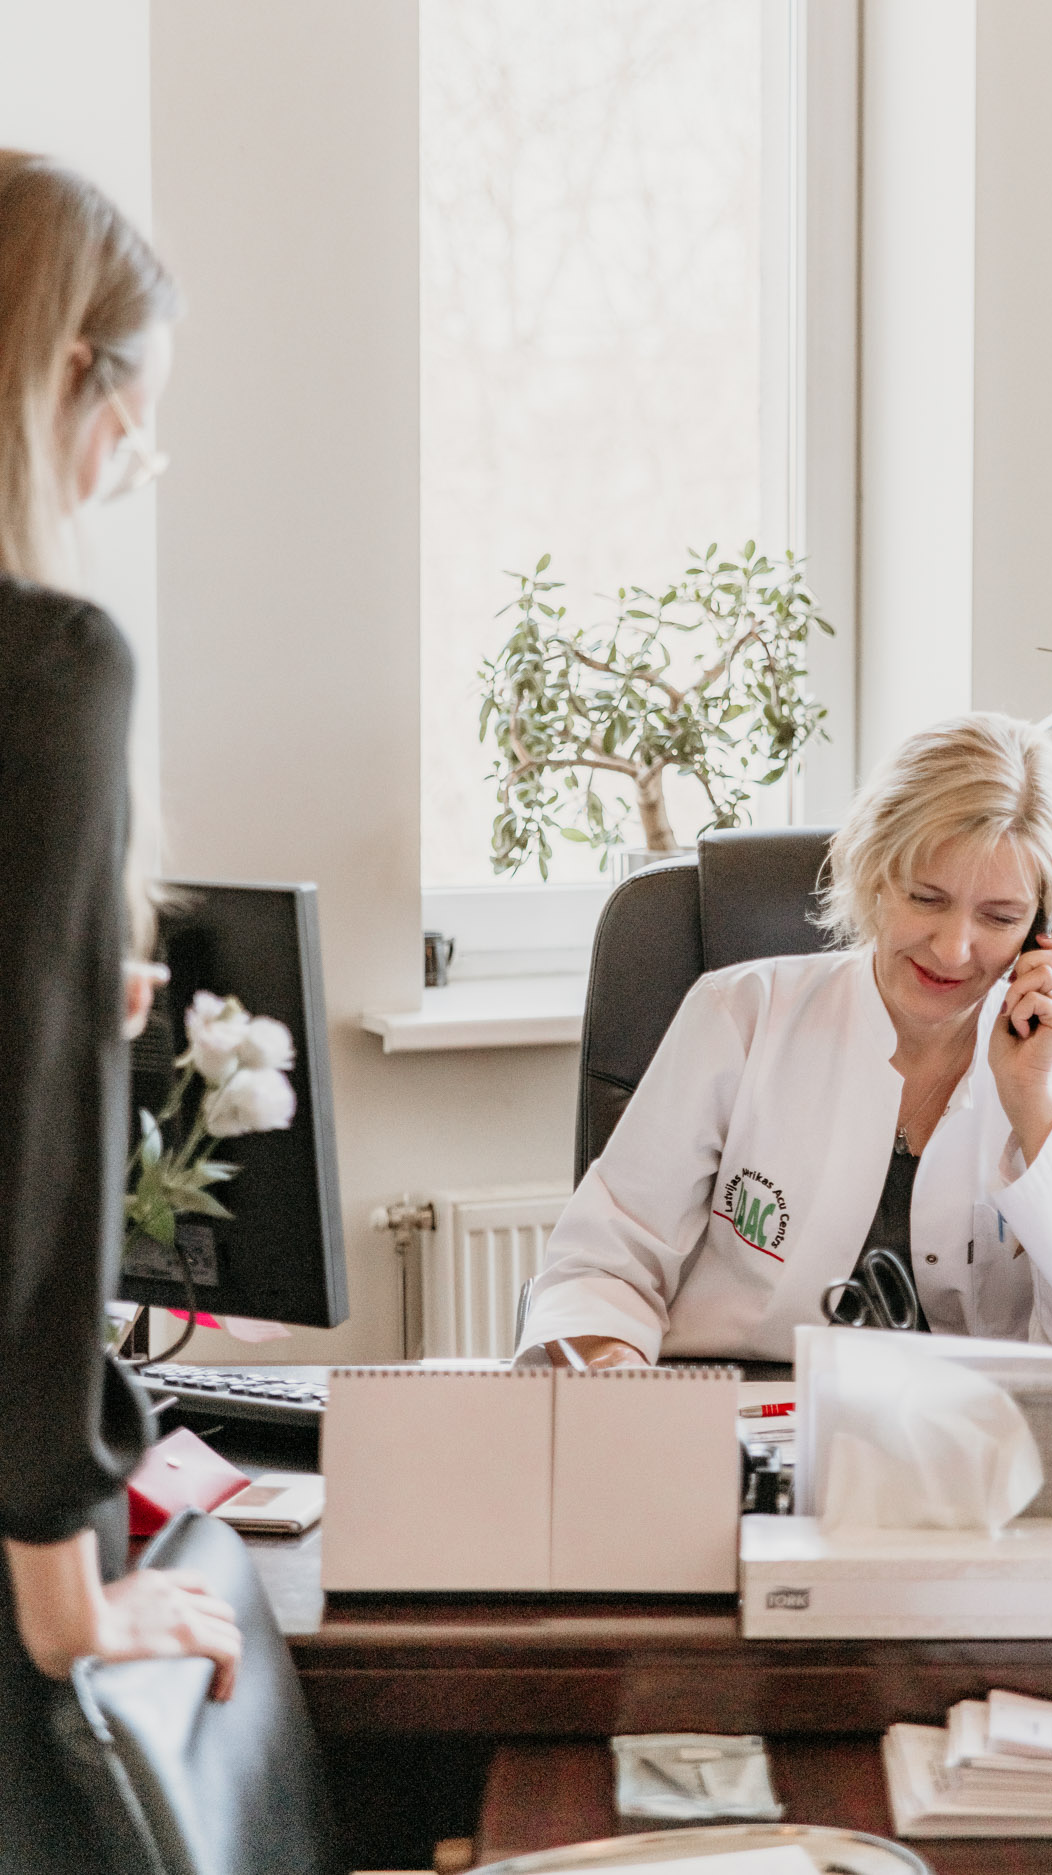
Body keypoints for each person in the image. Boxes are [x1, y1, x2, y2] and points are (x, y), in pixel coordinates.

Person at [518, 713, 1052, 1370]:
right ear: (872, 875)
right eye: (926, 898)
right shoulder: (740, 1016)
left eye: (1000, 916)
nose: (954, 949)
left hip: (989, 1446)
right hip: (751, 1425)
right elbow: (604, 1263)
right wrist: (616, 1374)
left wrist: (1033, 1109)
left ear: (1042, 929)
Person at [0, 153, 241, 1872]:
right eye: (133, 424)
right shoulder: (52, 665)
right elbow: (28, 1176)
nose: (124, 469)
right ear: (65, 378)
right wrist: (67, 1595)